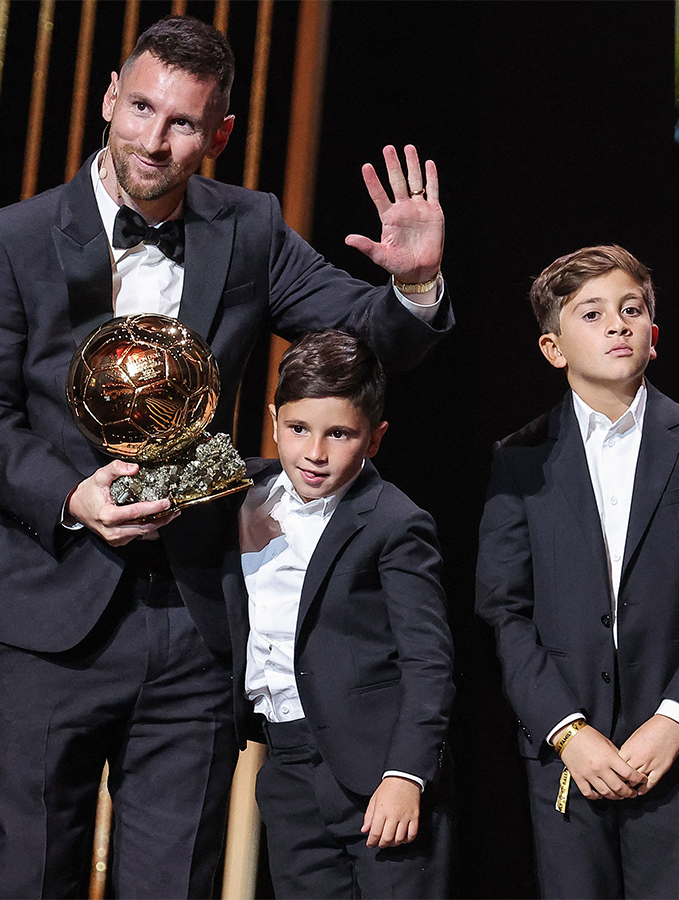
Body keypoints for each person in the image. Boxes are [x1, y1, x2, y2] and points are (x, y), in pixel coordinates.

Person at [0, 14, 452, 899]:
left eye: (182, 123)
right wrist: (73, 494)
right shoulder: (11, 240)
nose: (153, 139)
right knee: (27, 877)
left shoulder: (247, 228)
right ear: (109, 98)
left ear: (220, 135)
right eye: (140, 107)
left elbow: (363, 335)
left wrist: (409, 286)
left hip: (195, 624)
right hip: (51, 619)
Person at [476, 245, 679, 898]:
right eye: (593, 313)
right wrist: (566, 730)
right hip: (568, 755)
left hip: (677, 751)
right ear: (553, 348)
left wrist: (675, 720)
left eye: (631, 310)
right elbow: (503, 610)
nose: (617, 325)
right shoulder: (520, 459)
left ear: (653, 337)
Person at [223, 330, 453, 898]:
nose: (314, 453)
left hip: (376, 772)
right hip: (285, 764)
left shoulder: (395, 522)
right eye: (298, 429)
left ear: (375, 439)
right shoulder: (238, 493)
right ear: (274, 419)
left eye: (340, 434)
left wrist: (406, 775)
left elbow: (429, 663)